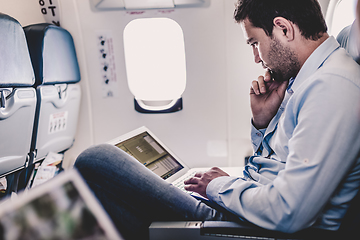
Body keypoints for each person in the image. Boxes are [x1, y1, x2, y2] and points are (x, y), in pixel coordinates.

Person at [74, 0, 360, 239]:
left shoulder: (332, 86)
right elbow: (277, 165)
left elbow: (289, 211)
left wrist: (217, 187)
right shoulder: (307, 78)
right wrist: (262, 123)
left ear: (283, 28)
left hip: (261, 230)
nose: (257, 58)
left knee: (96, 162)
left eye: (254, 43)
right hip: (249, 210)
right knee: (108, 204)